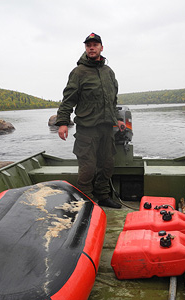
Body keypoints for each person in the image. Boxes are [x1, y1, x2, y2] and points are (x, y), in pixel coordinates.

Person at [55, 33, 125, 208]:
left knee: (107, 164)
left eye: (95, 45)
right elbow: (68, 99)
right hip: (87, 128)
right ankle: (87, 202)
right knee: (87, 168)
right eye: (88, 45)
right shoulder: (78, 72)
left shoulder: (109, 72)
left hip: (107, 127)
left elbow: (112, 99)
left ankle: (103, 196)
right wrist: (63, 122)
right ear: (85, 48)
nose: (91, 47)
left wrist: (117, 118)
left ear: (102, 47)